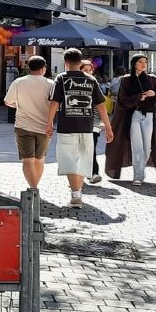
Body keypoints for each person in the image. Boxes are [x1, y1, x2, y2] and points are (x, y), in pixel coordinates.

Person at [46, 48, 113, 207]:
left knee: (69, 160)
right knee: (84, 159)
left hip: (66, 126)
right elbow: (101, 106)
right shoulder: (91, 80)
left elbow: (54, 103)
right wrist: (108, 127)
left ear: (66, 62)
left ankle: (75, 195)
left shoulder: (61, 78)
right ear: (80, 61)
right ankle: (78, 192)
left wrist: (48, 123)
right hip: (87, 126)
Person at [105, 53, 156, 185]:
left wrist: (154, 94)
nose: (144, 64)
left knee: (147, 147)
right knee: (137, 146)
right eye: (140, 62)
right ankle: (138, 175)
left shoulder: (152, 79)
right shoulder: (126, 79)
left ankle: (141, 170)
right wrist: (139, 97)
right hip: (133, 115)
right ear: (134, 64)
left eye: (145, 61)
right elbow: (122, 100)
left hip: (148, 116)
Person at [4, 55, 53, 190]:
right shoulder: (50, 84)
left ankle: (33, 187)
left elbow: (8, 101)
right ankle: (35, 187)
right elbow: (55, 105)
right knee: (39, 159)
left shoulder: (19, 82)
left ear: (28, 68)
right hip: (44, 126)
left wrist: (18, 105)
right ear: (43, 69)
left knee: (27, 159)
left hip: (23, 125)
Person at [79, 60, 105, 184]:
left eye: (90, 70)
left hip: (93, 122)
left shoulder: (95, 84)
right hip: (78, 122)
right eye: (85, 70)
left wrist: (103, 122)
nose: (89, 72)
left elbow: (100, 105)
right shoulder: (73, 83)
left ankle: (93, 173)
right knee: (79, 149)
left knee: (91, 148)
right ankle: (79, 175)